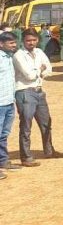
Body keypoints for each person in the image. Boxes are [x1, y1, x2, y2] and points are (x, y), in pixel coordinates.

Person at [13, 28, 63, 167]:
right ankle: (26, 157)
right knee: (26, 125)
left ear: (37, 40)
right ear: (23, 41)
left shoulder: (39, 52)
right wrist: (40, 70)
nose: (31, 43)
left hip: (39, 91)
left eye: (34, 40)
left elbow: (49, 70)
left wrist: (40, 71)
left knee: (46, 122)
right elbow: (28, 75)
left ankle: (49, 151)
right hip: (24, 92)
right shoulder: (18, 55)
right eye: (28, 40)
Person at [0, 32, 21, 178]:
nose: (14, 45)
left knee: (3, 135)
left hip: (8, 102)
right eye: (11, 43)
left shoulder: (9, 58)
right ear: (1, 44)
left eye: (15, 42)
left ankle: (3, 162)